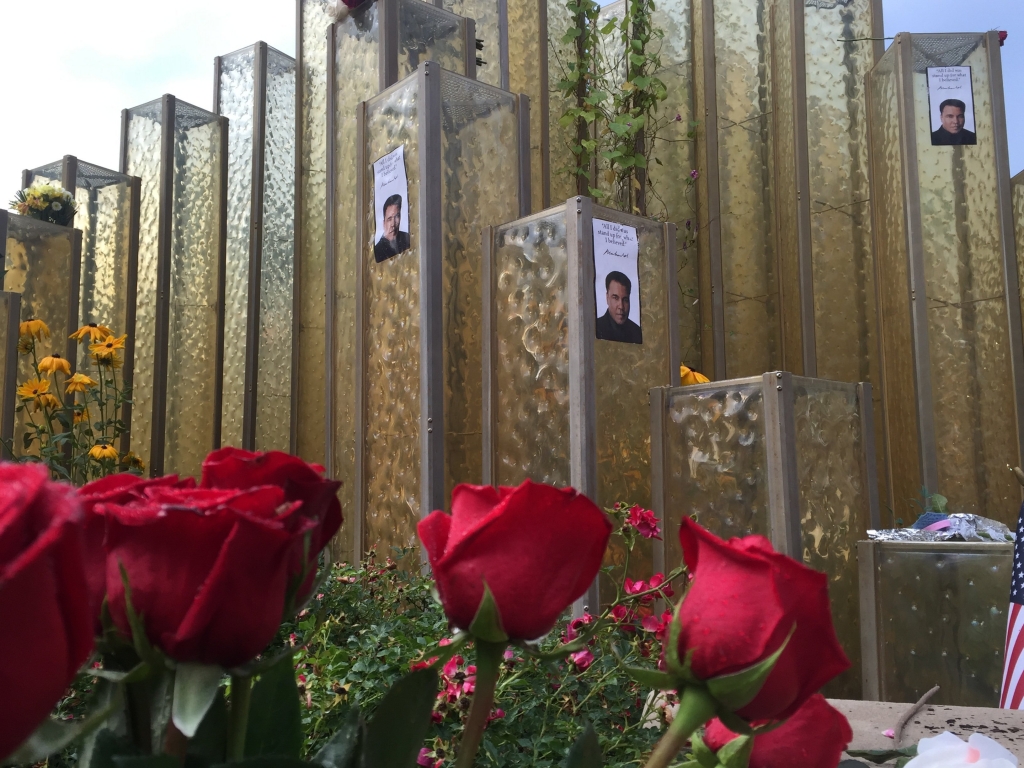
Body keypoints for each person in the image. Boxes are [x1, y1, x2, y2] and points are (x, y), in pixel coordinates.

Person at [596, 270, 642, 344]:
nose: (621, 306)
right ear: (607, 298)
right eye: (615, 298)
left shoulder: (637, 332)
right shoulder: (596, 328)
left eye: (625, 300)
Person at [374, 193, 411, 262]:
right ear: (383, 223)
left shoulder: (407, 238)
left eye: (396, 216)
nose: (393, 224)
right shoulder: (377, 251)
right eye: (389, 219)